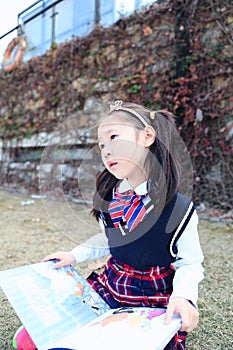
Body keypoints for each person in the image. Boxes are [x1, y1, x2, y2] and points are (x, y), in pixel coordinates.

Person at [14, 101, 204, 350]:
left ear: (147, 136)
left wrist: (183, 297)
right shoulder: (113, 198)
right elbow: (109, 238)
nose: (106, 150)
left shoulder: (179, 209)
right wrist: (73, 255)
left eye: (114, 137)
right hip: (111, 286)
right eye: (102, 145)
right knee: (29, 341)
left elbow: (189, 263)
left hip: (152, 298)